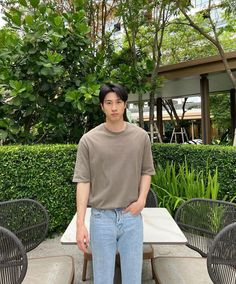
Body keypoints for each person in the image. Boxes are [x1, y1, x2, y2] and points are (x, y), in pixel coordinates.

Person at [73, 83, 155, 284]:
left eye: (118, 102)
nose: (114, 107)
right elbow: (83, 181)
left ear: (125, 104)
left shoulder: (140, 137)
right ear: (102, 106)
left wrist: (142, 200)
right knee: (102, 279)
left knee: (133, 278)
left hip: (131, 217)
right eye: (109, 103)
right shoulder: (88, 140)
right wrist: (80, 224)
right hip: (101, 218)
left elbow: (147, 171)